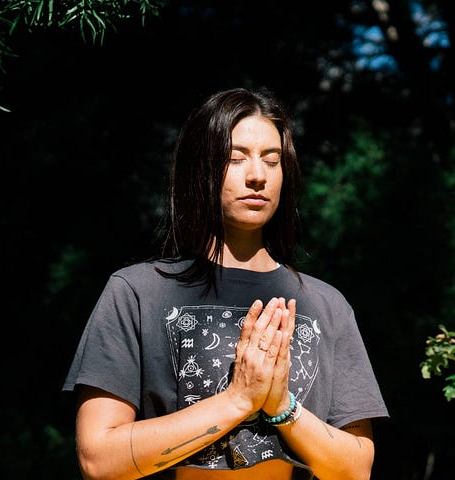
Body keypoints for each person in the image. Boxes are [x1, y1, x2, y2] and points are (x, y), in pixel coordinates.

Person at [62, 88, 388, 480]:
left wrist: (282, 406)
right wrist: (238, 399)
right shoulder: (136, 293)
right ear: (199, 169)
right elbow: (99, 461)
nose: (257, 175)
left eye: (272, 160)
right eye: (236, 159)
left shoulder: (326, 305)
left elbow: (356, 469)